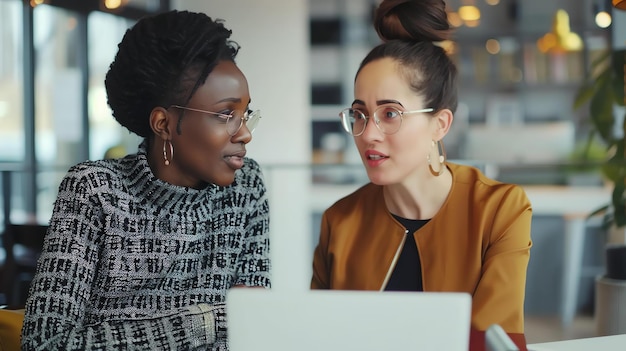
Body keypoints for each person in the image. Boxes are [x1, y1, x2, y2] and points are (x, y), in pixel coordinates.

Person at [21, 10, 270, 350]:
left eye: (245, 115)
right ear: (164, 124)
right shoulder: (94, 190)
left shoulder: (247, 186)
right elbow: (44, 344)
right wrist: (206, 322)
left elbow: (254, 329)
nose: (244, 133)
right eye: (226, 114)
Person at [310, 0, 532, 334]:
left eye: (390, 114)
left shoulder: (499, 210)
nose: (368, 134)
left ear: (440, 124)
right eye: (359, 114)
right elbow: (318, 335)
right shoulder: (340, 221)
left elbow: (496, 339)